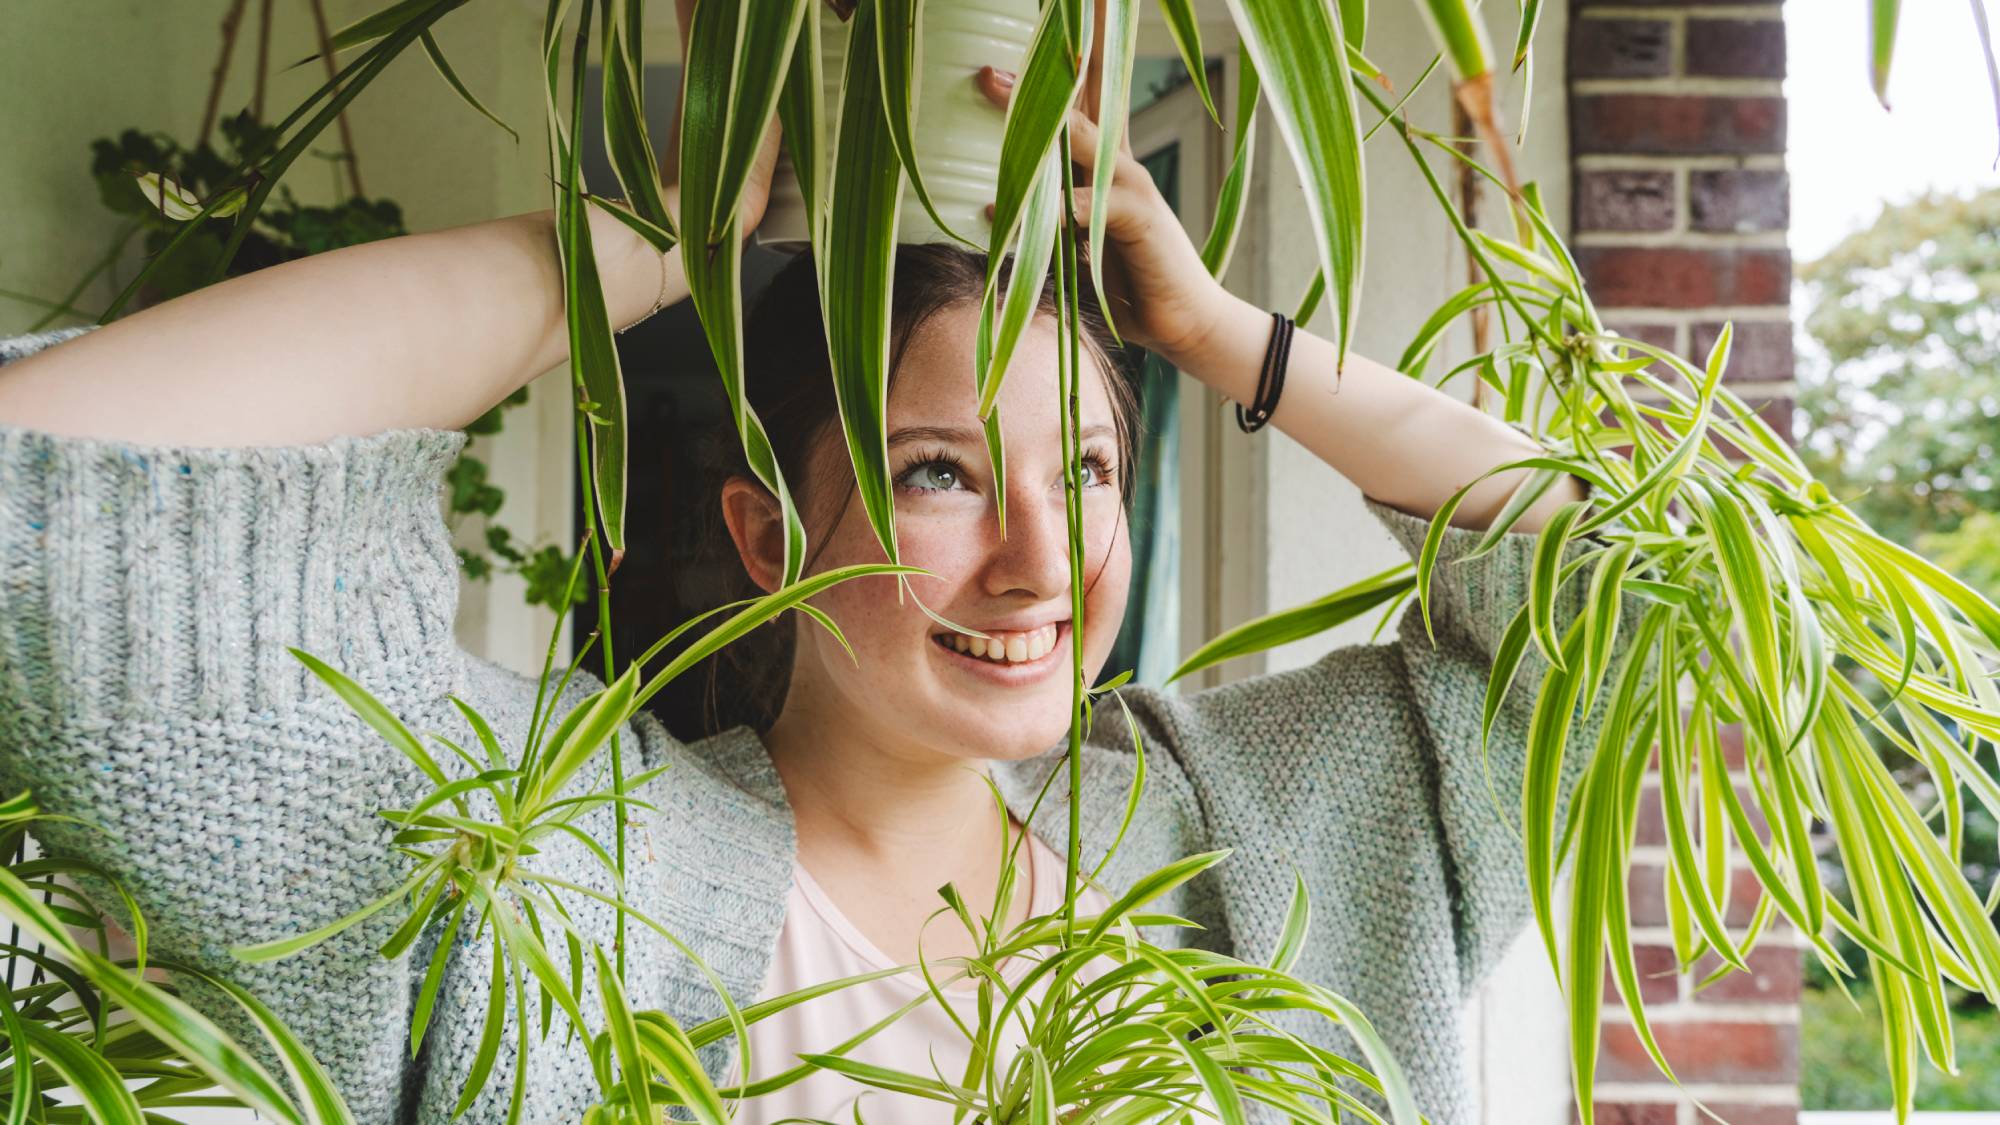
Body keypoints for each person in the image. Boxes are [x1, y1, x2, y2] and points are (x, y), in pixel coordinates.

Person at [0, 17, 1640, 1125]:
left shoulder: (1243, 841)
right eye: (939, 474)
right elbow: (68, 467)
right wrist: (645, 247)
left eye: (1080, 467)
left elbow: (1638, 588)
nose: (1040, 562)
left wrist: (1223, 335)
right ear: (766, 539)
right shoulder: (569, 860)